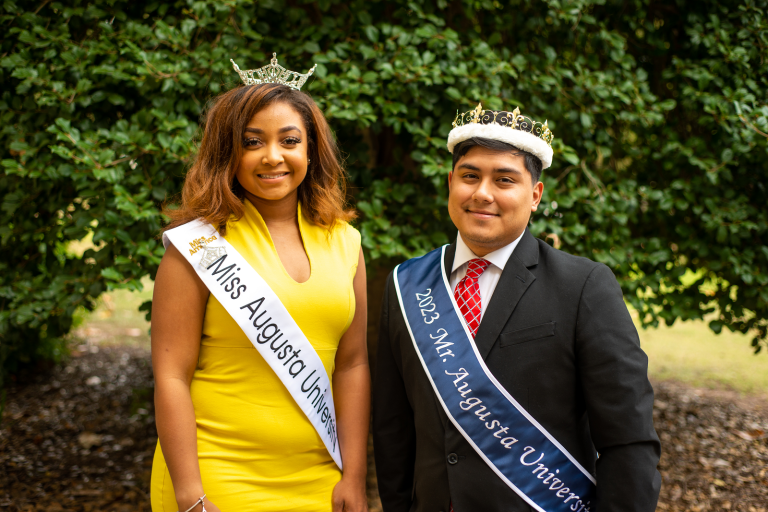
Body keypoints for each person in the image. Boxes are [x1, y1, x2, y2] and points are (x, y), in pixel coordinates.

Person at [372, 104, 661, 512]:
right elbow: (392, 427)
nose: (482, 193)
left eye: (504, 180)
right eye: (470, 176)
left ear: (535, 195)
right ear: (450, 182)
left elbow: (628, 440)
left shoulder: (584, 287)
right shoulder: (407, 284)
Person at [150, 54, 370, 512]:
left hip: (319, 478)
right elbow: (171, 375)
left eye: (289, 140)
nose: (273, 156)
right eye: (252, 142)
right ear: (228, 152)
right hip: (217, 474)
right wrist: (191, 494)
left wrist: (353, 475)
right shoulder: (198, 246)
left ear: (311, 150)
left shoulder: (346, 242)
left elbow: (351, 365)